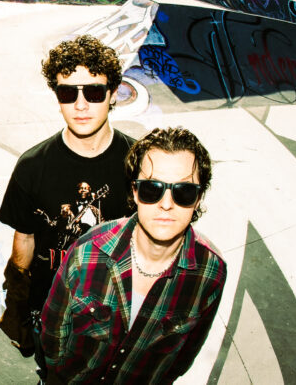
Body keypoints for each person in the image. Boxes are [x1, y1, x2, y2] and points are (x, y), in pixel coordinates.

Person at [40, 127, 227, 383]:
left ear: (199, 198)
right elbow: (53, 334)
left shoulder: (210, 273)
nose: (166, 204)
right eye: (152, 188)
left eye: (184, 191)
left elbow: (183, 357)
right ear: (135, 192)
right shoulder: (87, 252)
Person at [0, 34, 135, 381]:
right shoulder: (32, 166)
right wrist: (17, 306)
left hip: (118, 313)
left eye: (94, 92)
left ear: (113, 93)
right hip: (53, 314)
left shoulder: (139, 163)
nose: (80, 105)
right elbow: (24, 242)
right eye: (67, 93)